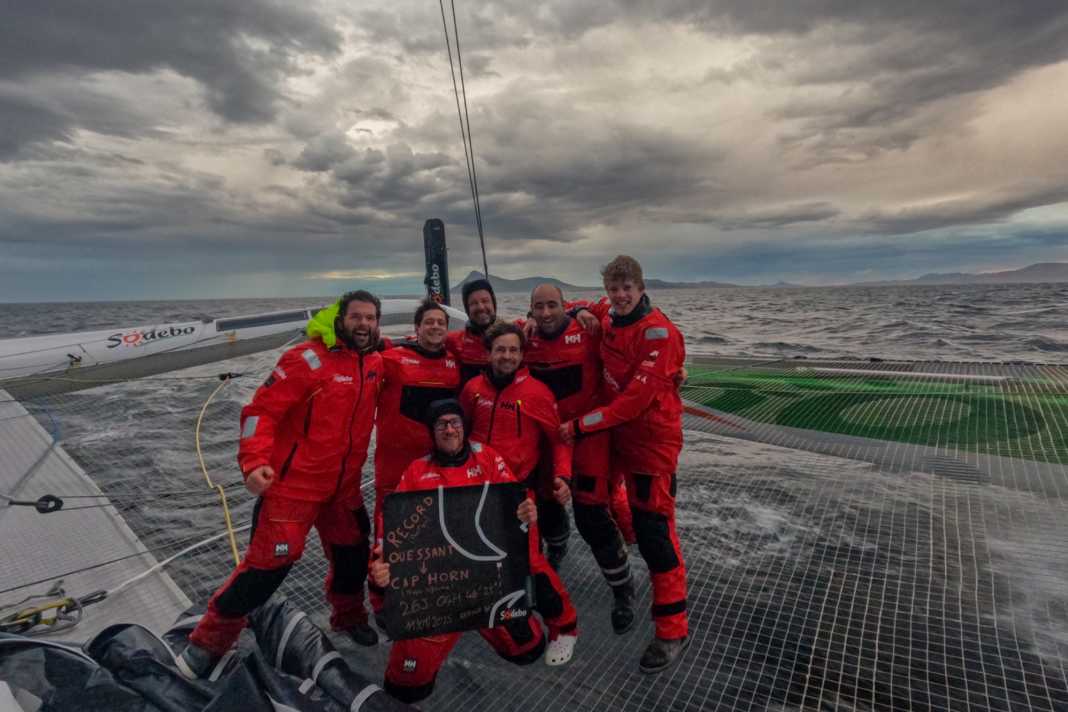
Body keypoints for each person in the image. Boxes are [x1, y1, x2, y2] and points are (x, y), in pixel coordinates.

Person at [177, 290, 384, 680]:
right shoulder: (305, 360)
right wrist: (253, 463)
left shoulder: (374, 361)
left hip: (343, 489)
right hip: (293, 489)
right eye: (356, 317)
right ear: (340, 319)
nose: (364, 324)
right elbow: (260, 412)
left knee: (353, 554)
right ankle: (206, 644)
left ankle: (348, 617)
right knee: (266, 569)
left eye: (371, 318)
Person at [371, 399, 578, 703]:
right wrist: (380, 576)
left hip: (487, 581)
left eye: (454, 422)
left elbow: (513, 499)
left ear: (464, 427)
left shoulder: (488, 458)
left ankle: (554, 628)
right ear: (432, 432)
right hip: (438, 587)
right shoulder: (416, 471)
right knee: (406, 683)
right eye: (441, 424)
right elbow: (391, 530)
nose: (449, 429)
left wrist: (526, 512)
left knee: (527, 647)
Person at [560, 255, 689, 674]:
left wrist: (579, 425)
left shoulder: (659, 334)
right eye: (613, 289)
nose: (619, 296)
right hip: (613, 435)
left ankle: (671, 631)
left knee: (657, 535)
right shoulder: (607, 312)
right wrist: (574, 311)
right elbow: (570, 304)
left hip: (650, 443)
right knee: (596, 504)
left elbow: (633, 402)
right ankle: (626, 565)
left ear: (640, 286)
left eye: (626, 289)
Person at [525, 283, 638, 634]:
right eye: (538, 308)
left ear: (563, 306)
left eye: (552, 306)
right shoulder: (525, 334)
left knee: (591, 514)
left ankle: (623, 590)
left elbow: (617, 309)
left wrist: (576, 310)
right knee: (547, 506)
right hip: (547, 436)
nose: (545, 314)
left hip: (587, 434)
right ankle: (557, 552)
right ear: (530, 310)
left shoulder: (586, 328)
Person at [368, 300, 460, 614]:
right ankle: (382, 603)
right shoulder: (390, 359)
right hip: (395, 468)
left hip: (437, 468)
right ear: (417, 328)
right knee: (388, 537)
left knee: (433, 534)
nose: (435, 327)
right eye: (429, 322)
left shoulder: (454, 362)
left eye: (441, 323)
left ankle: (428, 594)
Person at [459, 322, 574, 553]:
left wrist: (564, 476)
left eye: (513, 350)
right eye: (500, 350)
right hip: (481, 482)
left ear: (522, 354)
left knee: (527, 549)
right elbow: (462, 430)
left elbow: (558, 440)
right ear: (488, 353)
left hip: (521, 484)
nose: (507, 356)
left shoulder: (537, 393)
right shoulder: (472, 389)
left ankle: (555, 552)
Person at [446, 278, 498, 386]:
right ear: (467, 309)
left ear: (494, 304)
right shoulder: (453, 340)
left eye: (485, 301)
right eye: (473, 303)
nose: (480, 307)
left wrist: (531, 317)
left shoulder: (513, 336)